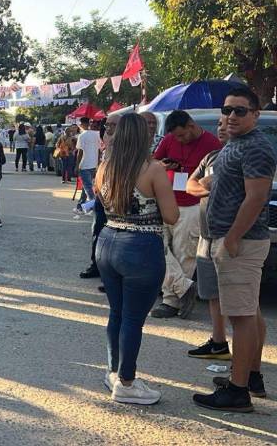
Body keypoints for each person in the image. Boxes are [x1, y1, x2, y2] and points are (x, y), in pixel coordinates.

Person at [193, 87, 276, 412]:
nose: (231, 116)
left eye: (240, 111)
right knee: (249, 312)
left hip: (240, 242)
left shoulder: (256, 148)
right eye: (227, 110)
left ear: (255, 114)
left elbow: (256, 198)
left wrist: (231, 238)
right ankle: (247, 375)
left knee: (241, 317)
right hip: (230, 239)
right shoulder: (236, 144)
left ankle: (238, 391)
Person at [94, 113, 179, 405]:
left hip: (107, 242)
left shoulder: (104, 167)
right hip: (140, 247)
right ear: (144, 137)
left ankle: (114, 372)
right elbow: (171, 216)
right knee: (132, 318)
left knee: (116, 313)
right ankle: (127, 383)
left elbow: (100, 203)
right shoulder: (153, 170)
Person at [150, 110, 221, 319]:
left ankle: (171, 301)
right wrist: (163, 165)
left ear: (191, 125)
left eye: (181, 135)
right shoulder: (169, 139)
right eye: (175, 136)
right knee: (157, 247)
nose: (178, 140)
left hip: (192, 204)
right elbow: (153, 162)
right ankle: (184, 287)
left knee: (184, 252)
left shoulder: (212, 144)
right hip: (165, 200)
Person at [186, 116, 231, 361]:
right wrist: (211, 184)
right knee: (212, 293)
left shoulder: (245, 155)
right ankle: (218, 341)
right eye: (220, 123)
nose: (223, 126)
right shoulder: (211, 157)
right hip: (207, 234)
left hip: (230, 237)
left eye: (228, 121)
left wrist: (211, 183)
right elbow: (191, 186)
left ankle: (249, 367)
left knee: (240, 302)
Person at [80, 115, 119, 280]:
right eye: (107, 124)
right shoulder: (105, 140)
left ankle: (111, 272)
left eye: (113, 125)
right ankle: (96, 265)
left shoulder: (126, 145)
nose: (108, 127)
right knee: (97, 230)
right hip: (101, 194)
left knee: (114, 234)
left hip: (117, 196)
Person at [75, 116, 101, 214]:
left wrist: (77, 166)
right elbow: (99, 150)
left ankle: (93, 207)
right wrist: (98, 163)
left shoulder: (82, 136)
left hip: (85, 165)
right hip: (94, 164)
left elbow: (80, 152)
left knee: (88, 187)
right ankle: (80, 206)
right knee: (86, 186)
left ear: (81, 124)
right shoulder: (96, 134)